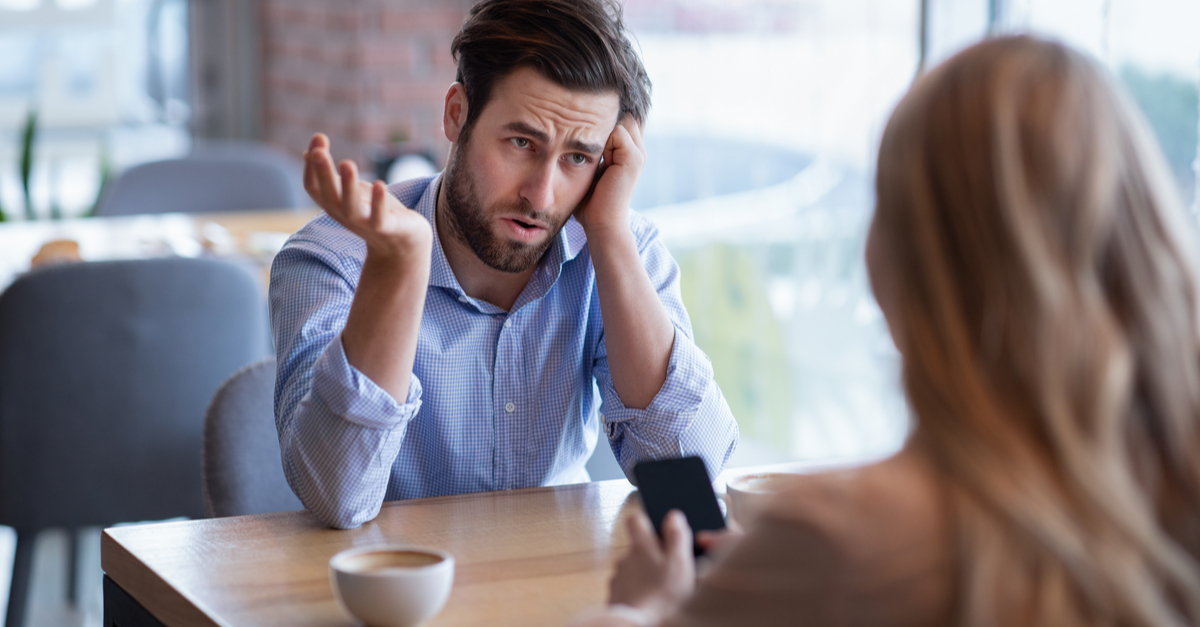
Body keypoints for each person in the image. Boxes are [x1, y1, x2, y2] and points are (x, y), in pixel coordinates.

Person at [577, 35, 1200, 626]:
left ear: (892, 265)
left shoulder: (840, 538)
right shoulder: (1168, 496)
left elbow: (695, 462)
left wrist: (646, 609)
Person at [269, 0, 738, 530]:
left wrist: (610, 233)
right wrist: (398, 268)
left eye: (578, 158)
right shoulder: (333, 260)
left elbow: (691, 471)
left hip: (563, 594)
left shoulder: (614, 246)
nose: (542, 194)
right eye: (522, 143)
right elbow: (337, 496)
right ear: (456, 114)